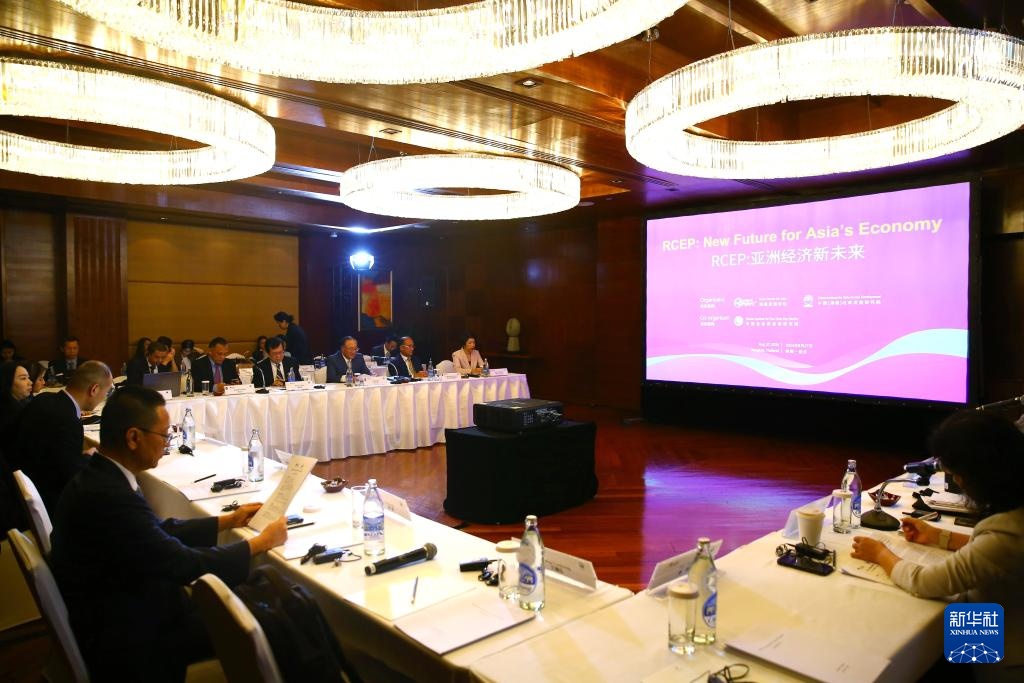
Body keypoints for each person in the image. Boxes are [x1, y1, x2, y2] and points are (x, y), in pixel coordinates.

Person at [49, 385, 287, 683]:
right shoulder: (108, 495)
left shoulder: (100, 475)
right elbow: (181, 562)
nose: (167, 443)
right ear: (133, 438)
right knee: (276, 618)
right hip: (134, 637)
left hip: (124, 608)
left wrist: (227, 521)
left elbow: (155, 532)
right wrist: (259, 544)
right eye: (164, 435)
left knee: (260, 599)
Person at [851, 410, 1024, 683]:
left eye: (958, 474)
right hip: (988, 625)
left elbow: (925, 582)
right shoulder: (1012, 518)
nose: (957, 481)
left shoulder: (1006, 536)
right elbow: (991, 553)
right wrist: (939, 537)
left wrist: (880, 553)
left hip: (1001, 658)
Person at [10, 361, 113, 514]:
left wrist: (78, 457)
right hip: (51, 502)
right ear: (94, 389)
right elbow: (73, 478)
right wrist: (88, 458)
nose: (104, 397)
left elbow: (55, 454)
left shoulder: (43, 399)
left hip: (19, 488)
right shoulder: (68, 420)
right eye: (106, 392)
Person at [0, 361, 34, 532]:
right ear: (7, 383)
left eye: (29, 377)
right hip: (15, 484)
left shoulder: (18, 407)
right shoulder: (10, 415)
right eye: (23, 378)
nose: (30, 382)